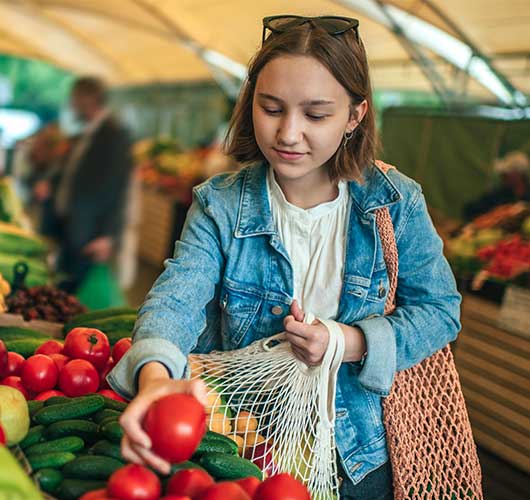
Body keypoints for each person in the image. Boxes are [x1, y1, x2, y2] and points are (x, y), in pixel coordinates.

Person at [108, 15, 461, 500]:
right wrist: (154, 379)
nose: (289, 133)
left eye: (316, 115)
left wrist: (348, 341)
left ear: (355, 116)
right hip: (245, 443)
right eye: (271, 108)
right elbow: (176, 298)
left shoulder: (396, 203)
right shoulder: (220, 204)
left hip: (361, 457)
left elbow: (441, 311)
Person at [52, 76, 134, 293]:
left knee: (77, 294)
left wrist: (108, 236)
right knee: (64, 288)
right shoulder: (87, 133)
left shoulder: (114, 135)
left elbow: (118, 189)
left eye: (75, 99)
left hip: (90, 235)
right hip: (73, 228)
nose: (72, 105)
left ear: (89, 99)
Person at [463, 150, 530, 219]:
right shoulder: (497, 195)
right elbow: (470, 210)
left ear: (519, 174)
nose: (503, 176)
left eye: (507, 173)